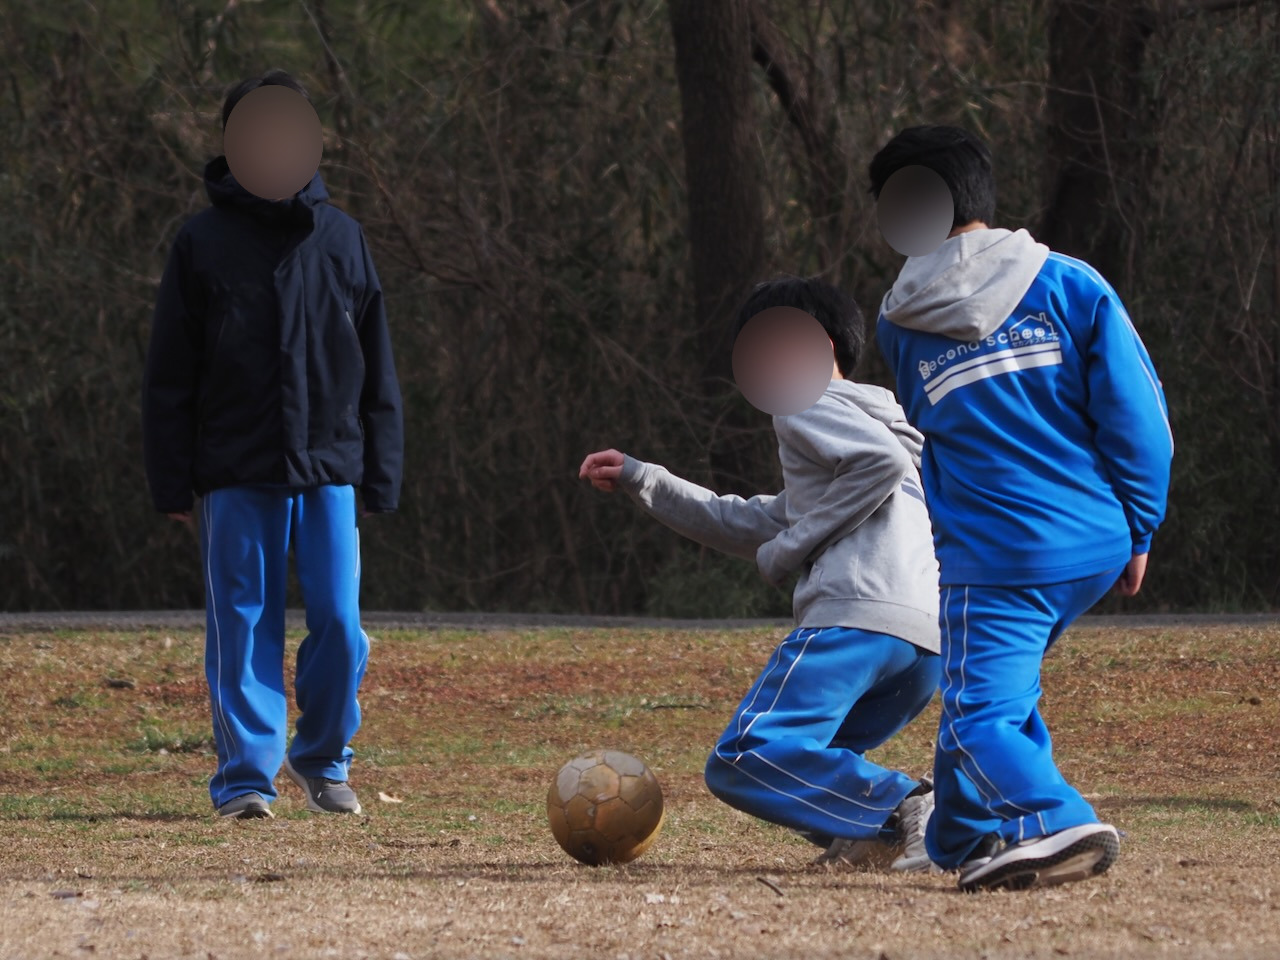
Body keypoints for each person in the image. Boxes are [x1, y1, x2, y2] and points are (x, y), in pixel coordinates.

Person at [870, 125, 1174, 891]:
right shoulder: (1071, 283)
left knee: (982, 712)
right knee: (988, 690)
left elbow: (930, 430)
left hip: (997, 557)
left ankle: (1052, 818)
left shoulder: (898, 322)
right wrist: (1140, 526)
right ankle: (958, 836)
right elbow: (1139, 418)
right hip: (1096, 539)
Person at [580, 276, 942, 871]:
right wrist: (645, 478)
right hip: (922, 643)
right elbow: (752, 520)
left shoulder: (808, 402)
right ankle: (876, 838)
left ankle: (909, 805)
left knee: (746, 756)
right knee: (807, 761)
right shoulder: (883, 424)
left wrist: (789, 549)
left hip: (854, 620)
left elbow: (874, 467)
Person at [141, 70, 403, 819]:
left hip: (330, 465)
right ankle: (246, 779)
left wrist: (381, 471)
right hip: (234, 466)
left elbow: (377, 362)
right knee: (243, 625)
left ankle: (322, 759)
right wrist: (170, 480)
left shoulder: (342, 237)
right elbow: (169, 372)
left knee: (341, 624)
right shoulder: (200, 242)